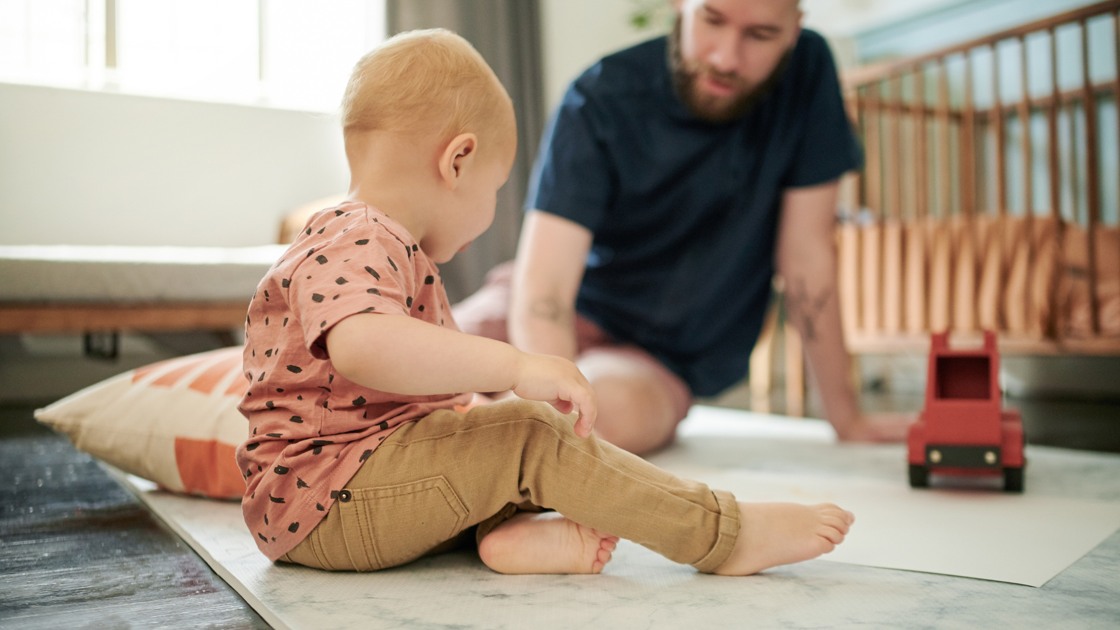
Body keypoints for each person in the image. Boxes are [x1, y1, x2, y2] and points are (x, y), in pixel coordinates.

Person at [236, 28, 854, 577]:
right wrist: (515, 365)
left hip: (347, 494)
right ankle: (722, 535)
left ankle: (504, 535)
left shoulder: (374, 241)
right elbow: (363, 345)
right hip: (325, 504)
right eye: (496, 189)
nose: (492, 209)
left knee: (488, 428)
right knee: (529, 430)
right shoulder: (358, 235)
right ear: (459, 161)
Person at [454, 0, 912, 455]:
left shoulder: (807, 74)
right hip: (543, 307)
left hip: (655, 358)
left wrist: (846, 417)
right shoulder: (600, 96)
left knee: (596, 419)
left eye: (760, 35)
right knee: (416, 375)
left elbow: (807, 257)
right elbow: (546, 292)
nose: (726, 59)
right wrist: (543, 386)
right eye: (712, 19)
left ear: (794, 30)